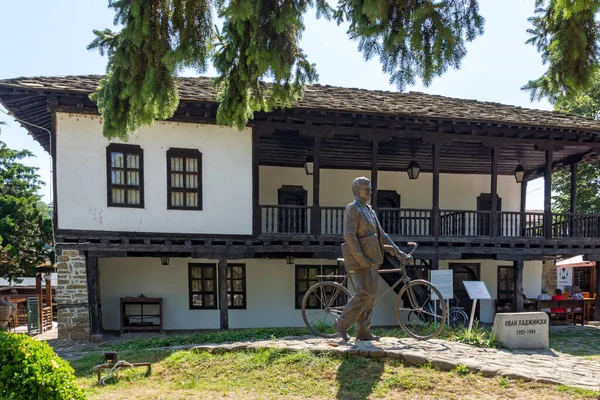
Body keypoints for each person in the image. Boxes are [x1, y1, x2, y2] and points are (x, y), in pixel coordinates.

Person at [333, 177, 408, 341]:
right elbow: (349, 235)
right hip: (363, 258)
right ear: (356, 191)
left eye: (370, 188)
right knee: (365, 292)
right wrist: (360, 258)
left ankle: (363, 331)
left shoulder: (370, 210)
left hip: (374, 258)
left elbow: (382, 235)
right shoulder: (353, 209)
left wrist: (397, 251)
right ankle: (342, 322)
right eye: (366, 188)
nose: (370, 191)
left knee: (371, 295)